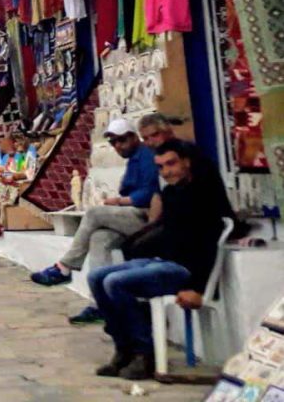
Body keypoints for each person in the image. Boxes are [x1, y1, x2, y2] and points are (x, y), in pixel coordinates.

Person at [87, 140, 234, 381]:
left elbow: (209, 246)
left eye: (171, 164)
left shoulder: (204, 194)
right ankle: (124, 348)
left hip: (183, 270)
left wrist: (196, 287)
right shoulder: (171, 193)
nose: (167, 172)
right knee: (96, 277)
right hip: (161, 262)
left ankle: (144, 352)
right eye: (161, 167)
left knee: (116, 282)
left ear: (187, 162)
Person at [30, 119, 159, 325]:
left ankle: (64, 267)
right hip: (131, 216)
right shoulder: (135, 159)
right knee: (100, 238)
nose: (118, 146)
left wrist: (119, 201)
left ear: (135, 137)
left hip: (149, 219)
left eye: (122, 140)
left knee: (94, 214)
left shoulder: (147, 157)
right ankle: (100, 303)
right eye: (114, 142)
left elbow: (150, 194)